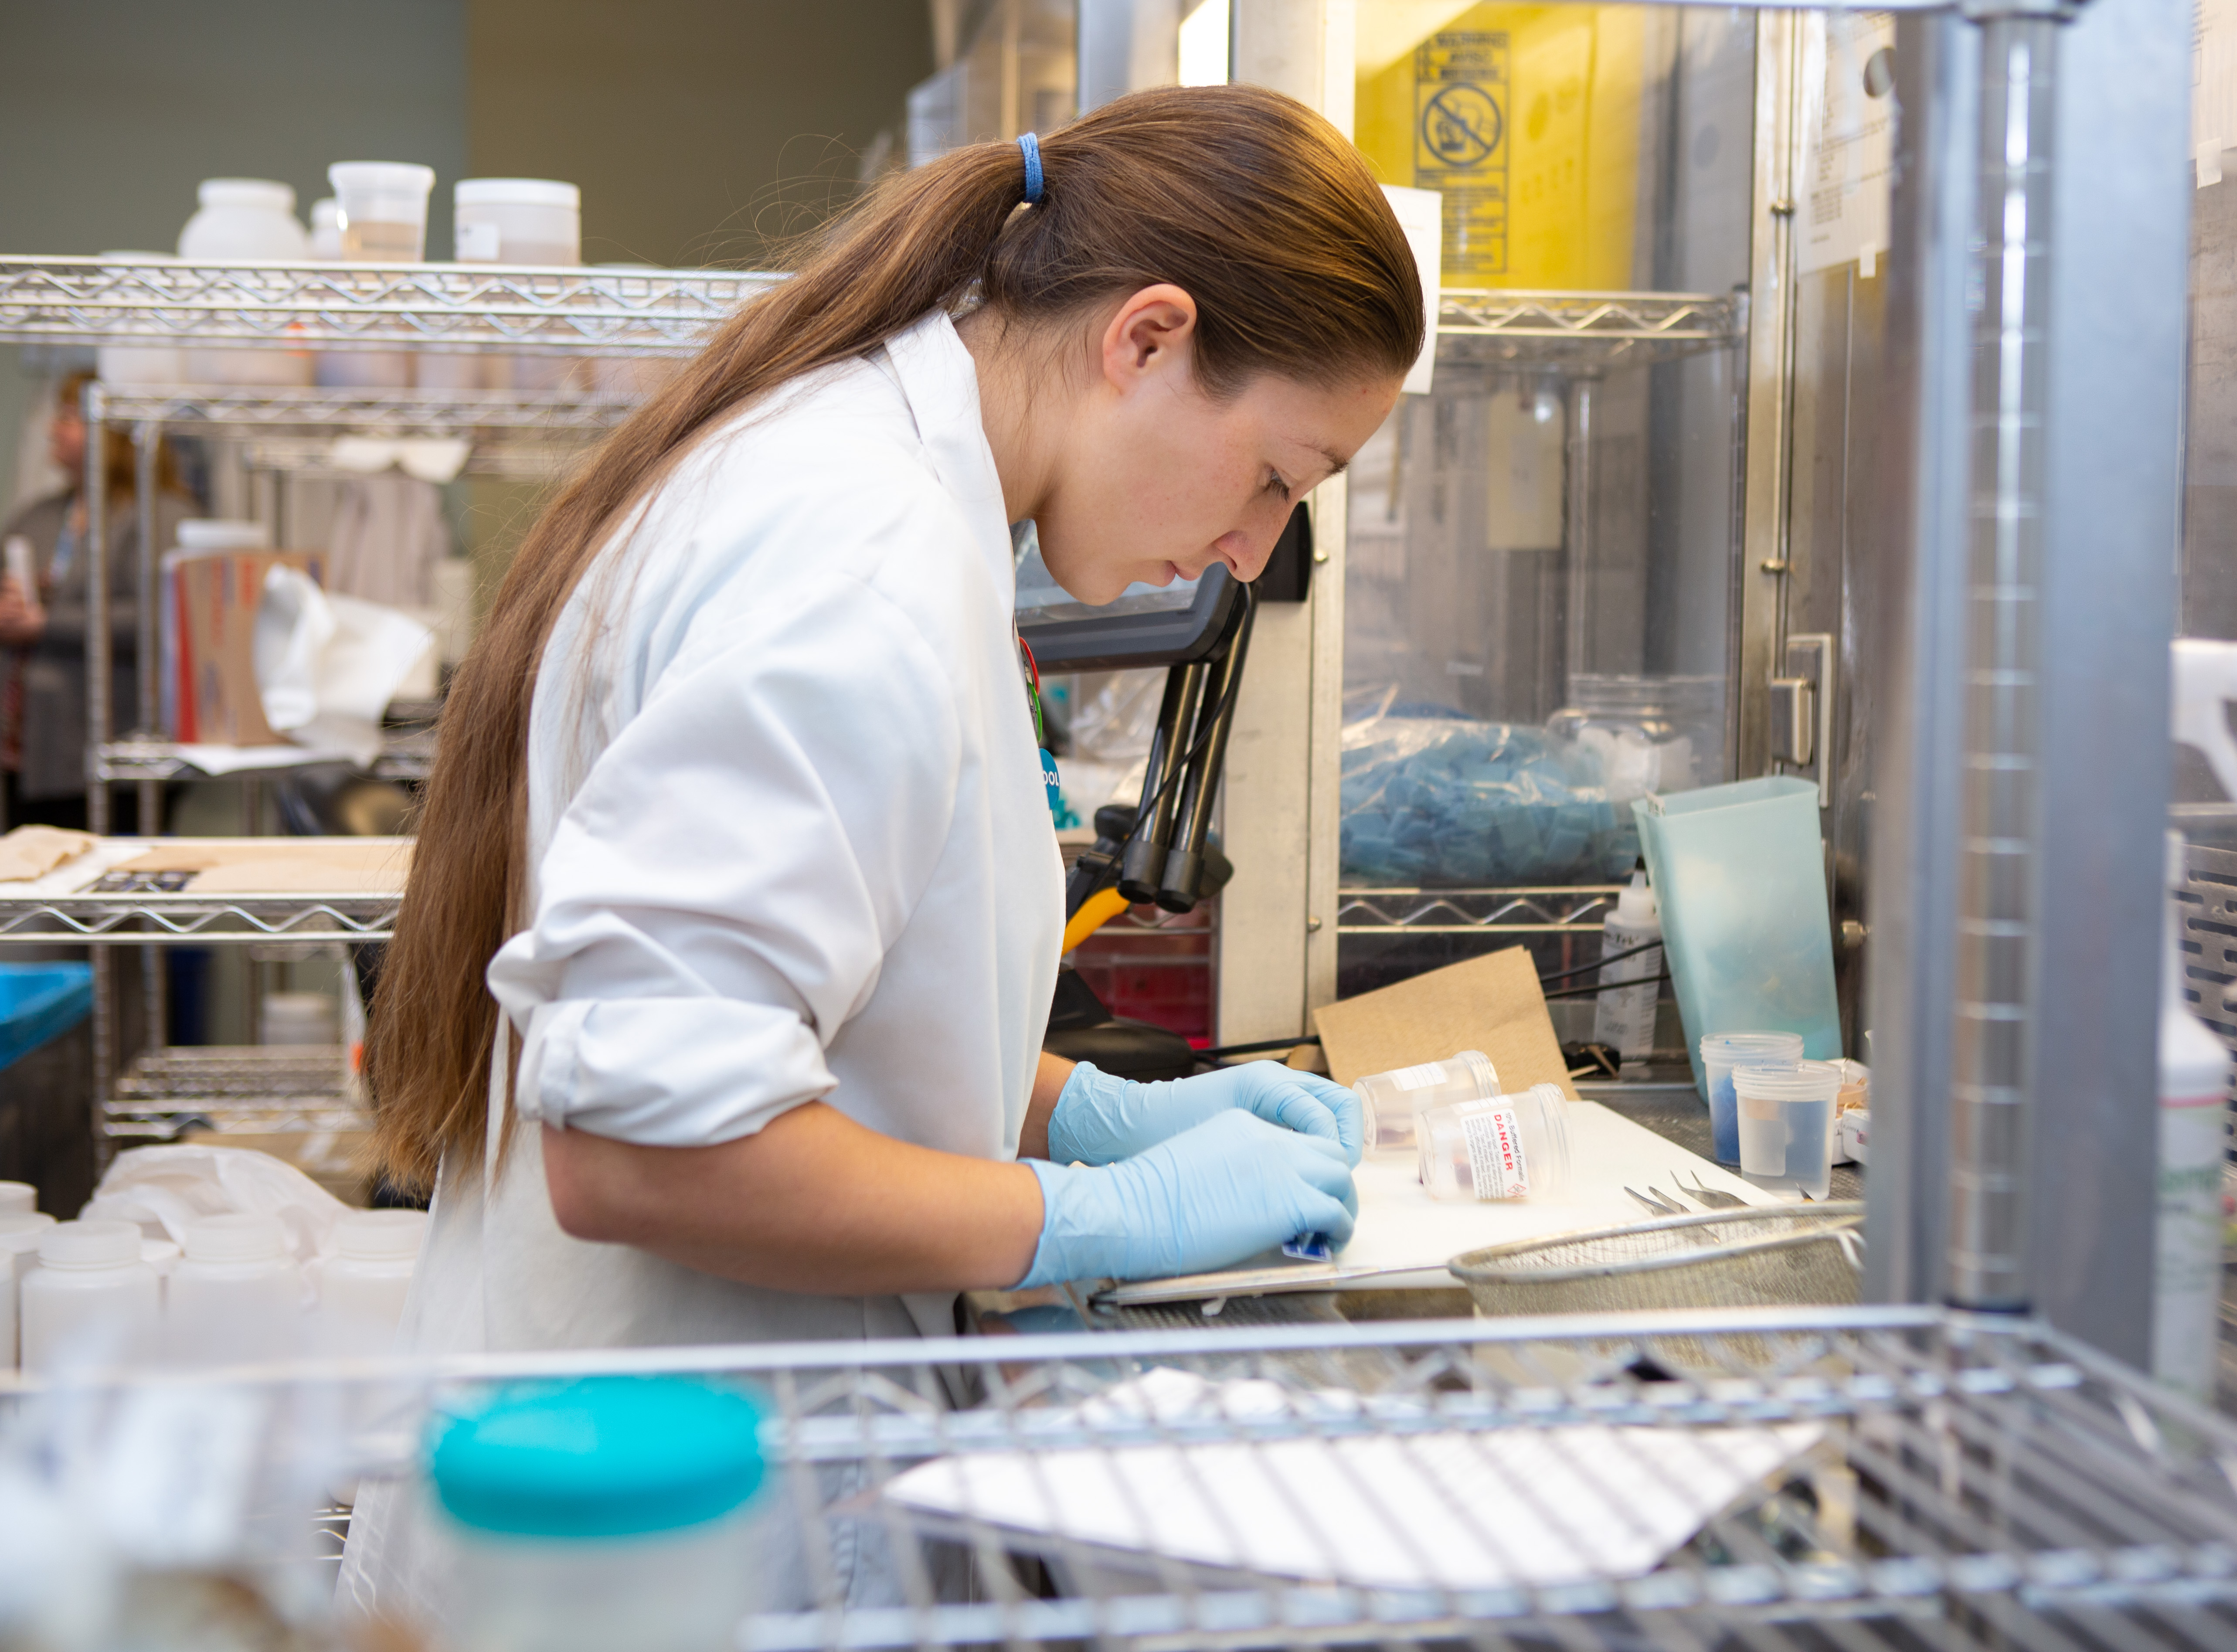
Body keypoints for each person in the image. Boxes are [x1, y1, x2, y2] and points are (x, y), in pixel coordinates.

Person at [343, 85, 1421, 1616]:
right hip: (651, 1538)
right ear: (1146, 337)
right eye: (1275, 478)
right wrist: (1091, 1220)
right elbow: (647, 1140)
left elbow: (811, 1005)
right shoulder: (861, 562)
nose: (1251, 555)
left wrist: (1083, 1111)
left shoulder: (873, 476)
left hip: (631, 1474)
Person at [0, 371, 196, 830]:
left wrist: (47, 624)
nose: (54, 430)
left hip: (114, 745)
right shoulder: (38, 515)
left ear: (112, 430)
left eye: (70, 417)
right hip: (28, 742)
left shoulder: (160, 515)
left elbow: (160, 618)